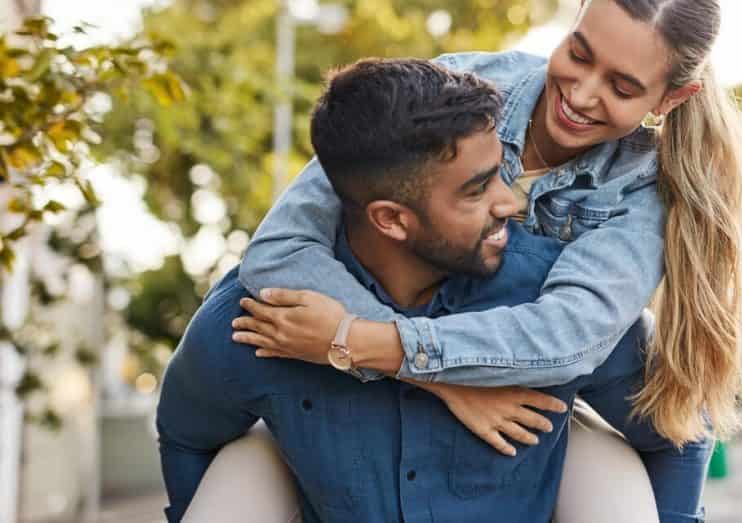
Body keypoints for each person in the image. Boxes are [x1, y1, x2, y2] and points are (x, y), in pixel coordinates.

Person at [237, 0, 742, 460]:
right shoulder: (450, 92)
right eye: (580, 53)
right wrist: (433, 378)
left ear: (669, 100)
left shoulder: (643, 188)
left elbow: (566, 338)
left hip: (558, 406)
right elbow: (278, 250)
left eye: (621, 87)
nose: (583, 94)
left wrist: (363, 341)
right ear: (576, 15)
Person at [157, 58, 711, 522]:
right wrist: (442, 380)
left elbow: (682, 431)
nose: (512, 203)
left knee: (608, 466)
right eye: (477, 190)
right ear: (392, 220)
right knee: (244, 462)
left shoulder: (552, 300)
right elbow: (184, 433)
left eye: (502, 172)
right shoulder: (263, 319)